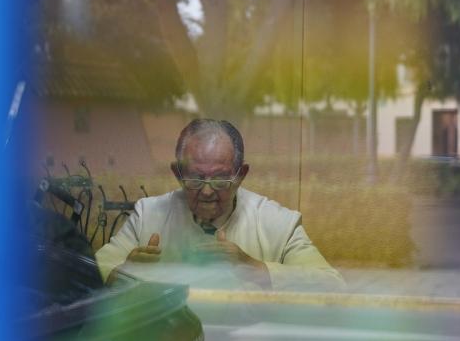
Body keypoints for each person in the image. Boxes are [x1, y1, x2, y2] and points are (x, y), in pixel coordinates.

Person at [95, 119, 345, 291]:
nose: (206, 191)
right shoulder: (148, 216)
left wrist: (254, 268)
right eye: (195, 178)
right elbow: (87, 276)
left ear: (241, 174)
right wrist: (123, 273)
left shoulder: (277, 223)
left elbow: (333, 286)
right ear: (177, 173)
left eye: (220, 179)